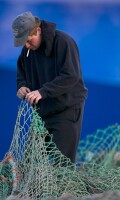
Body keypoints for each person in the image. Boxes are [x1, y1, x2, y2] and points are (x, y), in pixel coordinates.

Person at [11, 11, 88, 163]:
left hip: (66, 109)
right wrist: (22, 86)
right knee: (30, 162)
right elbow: (21, 71)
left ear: (38, 30)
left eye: (28, 40)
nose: (26, 45)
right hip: (42, 113)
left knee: (62, 164)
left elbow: (71, 76)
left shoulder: (64, 42)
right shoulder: (27, 50)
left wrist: (43, 91)